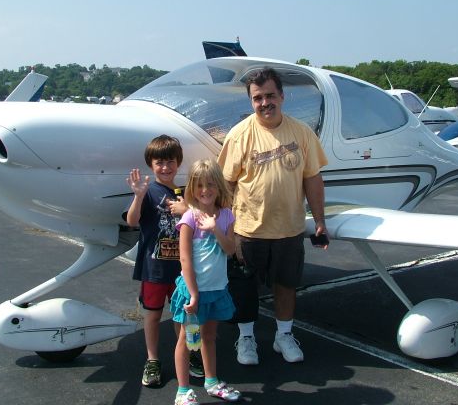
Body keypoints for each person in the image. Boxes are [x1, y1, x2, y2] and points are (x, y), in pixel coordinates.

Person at [217, 66, 328, 365]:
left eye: (269, 96)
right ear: (251, 101)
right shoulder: (239, 135)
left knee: (286, 286)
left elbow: (313, 179)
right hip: (248, 231)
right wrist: (225, 229)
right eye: (257, 98)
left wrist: (319, 221)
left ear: (282, 96)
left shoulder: (301, 132)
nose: (264, 103)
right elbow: (225, 185)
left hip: (289, 229)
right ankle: (246, 338)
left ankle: (284, 336)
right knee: (244, 290)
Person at [125, 135, 204, 387]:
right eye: (160, 162)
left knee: (182, 316)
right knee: (152, 316)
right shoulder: (148, 193)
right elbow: (132, 221)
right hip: (154, 268)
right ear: (151, 164)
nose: (166, 167)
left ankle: (188, 356)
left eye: (170, 162)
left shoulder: (186, 195)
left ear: (178, 163)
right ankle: (152, 360)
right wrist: (138, 196)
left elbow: (199, 224)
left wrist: (188, 210)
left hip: (181, 270)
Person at [169, 159, 242, 405]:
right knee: (187, 340)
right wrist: (193, 293)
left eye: (210, 184)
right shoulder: (189, 217)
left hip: (216, 290)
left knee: (209, 336)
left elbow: (231, 249)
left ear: (219, 186)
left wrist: (215, 230)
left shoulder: (227, 216)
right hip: (193, 293)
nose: (205, 190)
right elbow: (185, 258)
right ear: (192, 188)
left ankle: (211, 382)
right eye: (199, 185)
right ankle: (182, 391)